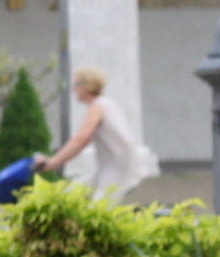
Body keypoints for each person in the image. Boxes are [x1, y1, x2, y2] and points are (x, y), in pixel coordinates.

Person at [37, 68, 157, 200]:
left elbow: (80, 139)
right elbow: (83, 140)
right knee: (66, 196)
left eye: (76, 85)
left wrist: (52, 162)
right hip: (107, 170)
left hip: (118, 173)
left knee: (95, 213)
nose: (74, 90)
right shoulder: (104, 105)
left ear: (86, 87)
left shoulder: (98, 107)